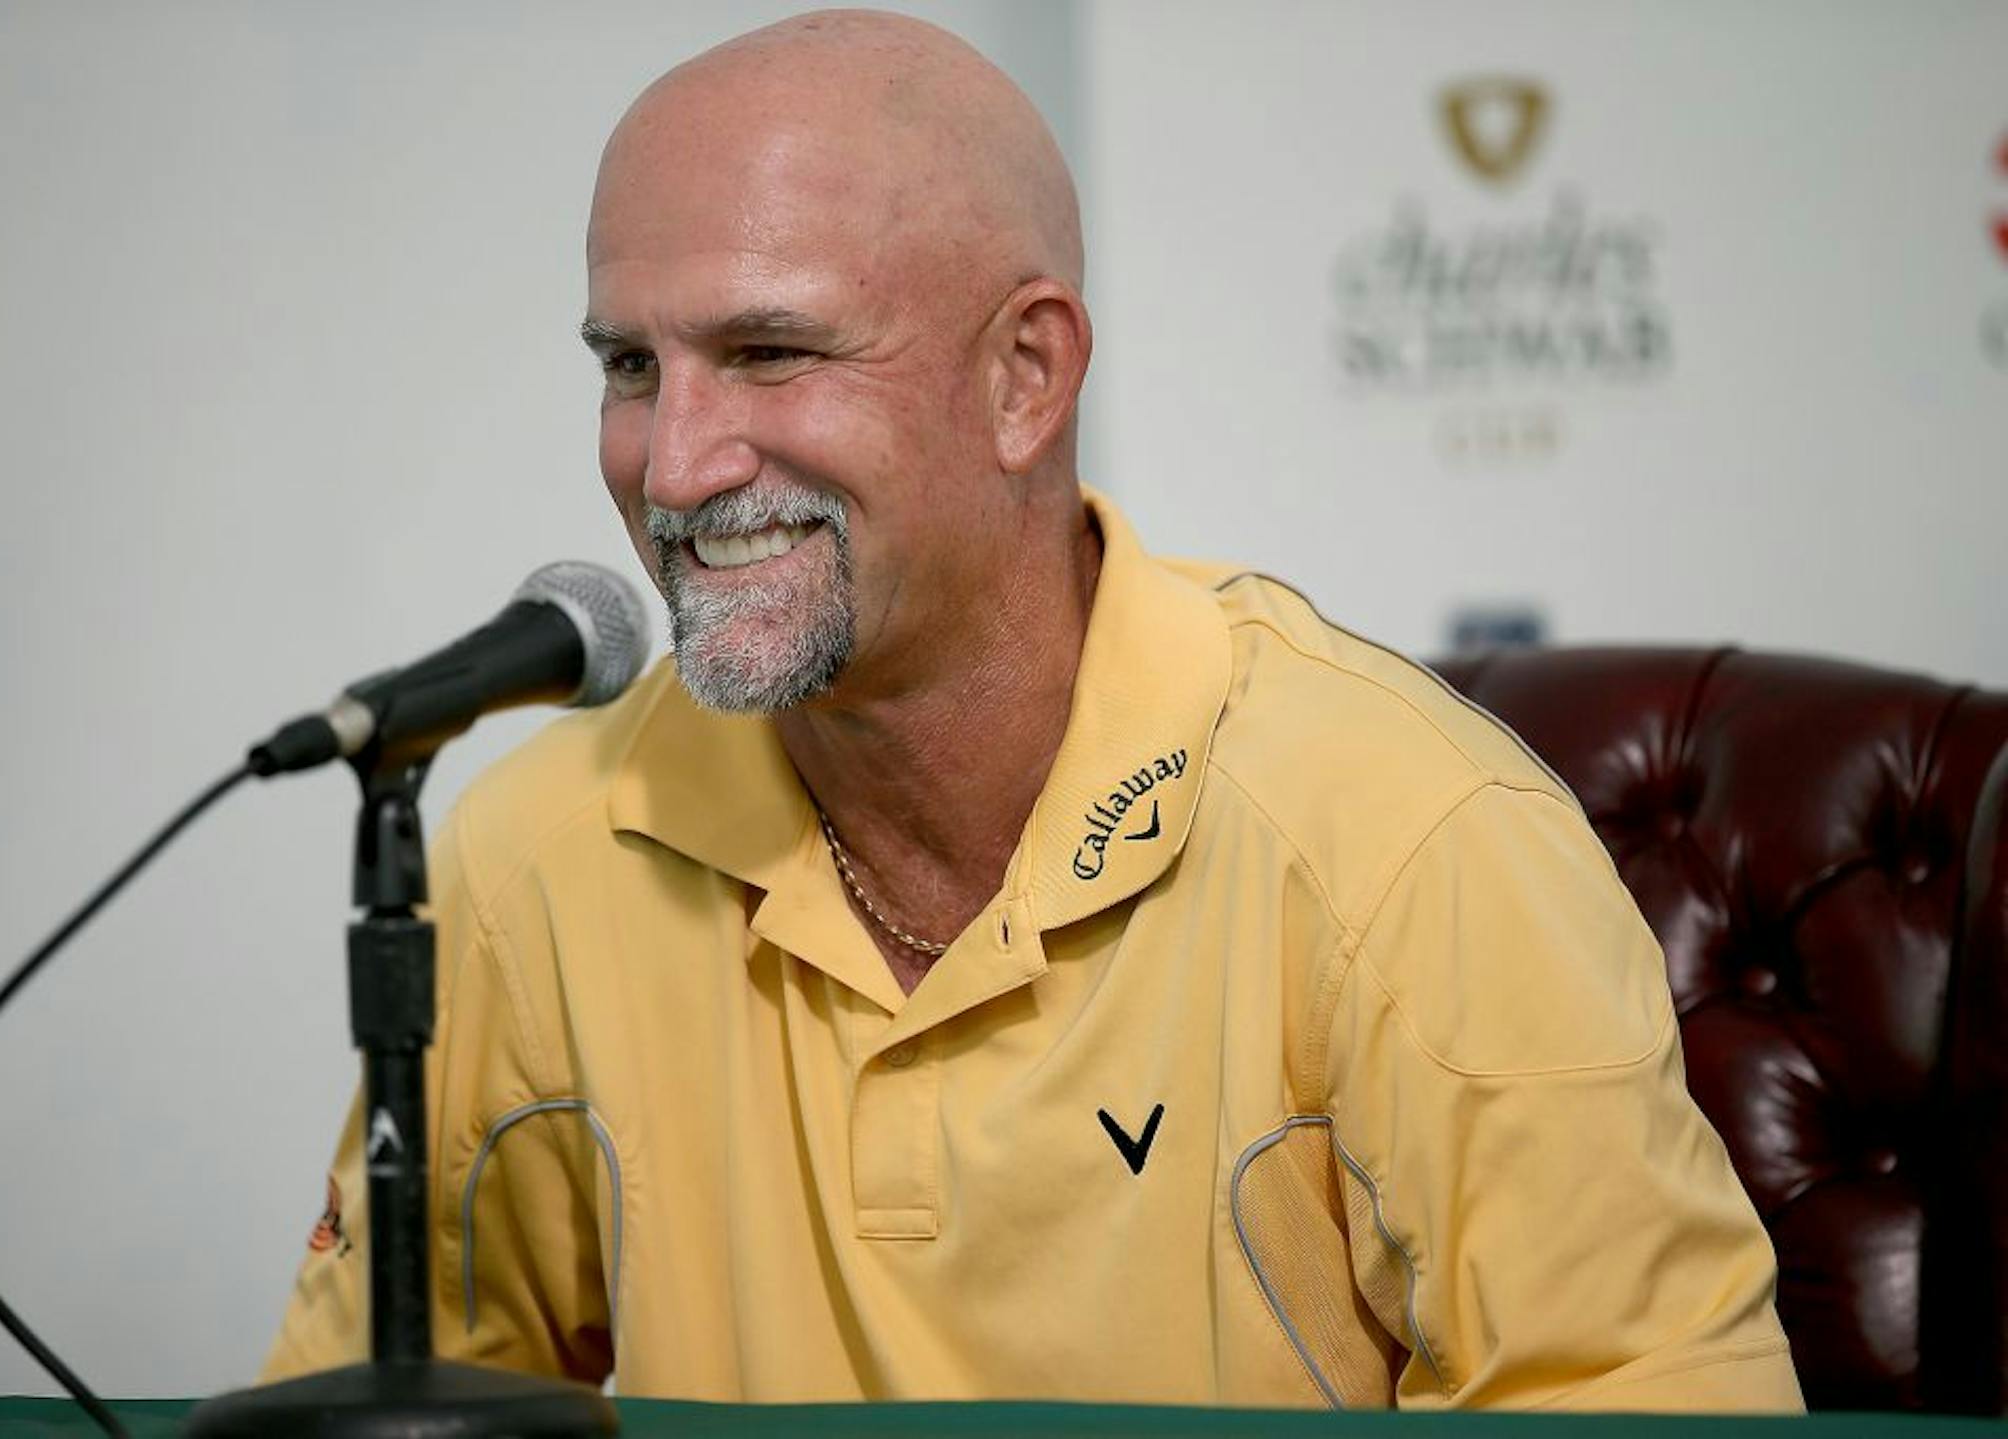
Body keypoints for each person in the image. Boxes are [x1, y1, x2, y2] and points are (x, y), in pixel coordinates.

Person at [263, 10, 1803, 1411]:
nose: (671, 470)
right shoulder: (532, 858)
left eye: (770, 352)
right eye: (629, 366)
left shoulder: (1417, 855)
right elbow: (380, 1409)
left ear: (1024, 376)